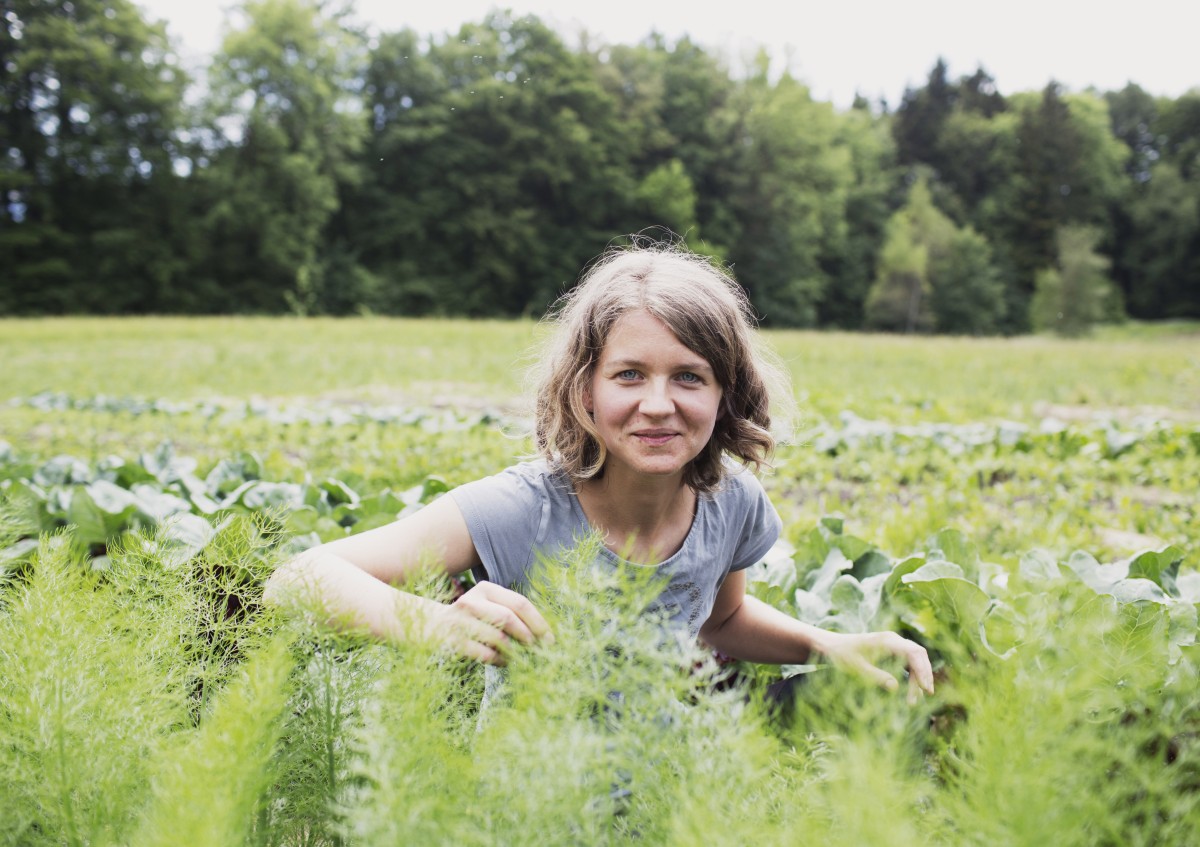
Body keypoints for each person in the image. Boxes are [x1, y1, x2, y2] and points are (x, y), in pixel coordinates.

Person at [264, 242, 934, 703]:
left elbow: (718, 621)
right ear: (585, 390)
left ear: (726, 393)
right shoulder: (521, 509)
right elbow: (296, 579)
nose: (658, 403)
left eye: (689, 377)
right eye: (629, 374)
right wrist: (436, 624)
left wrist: (828, 642)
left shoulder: (733, 503)